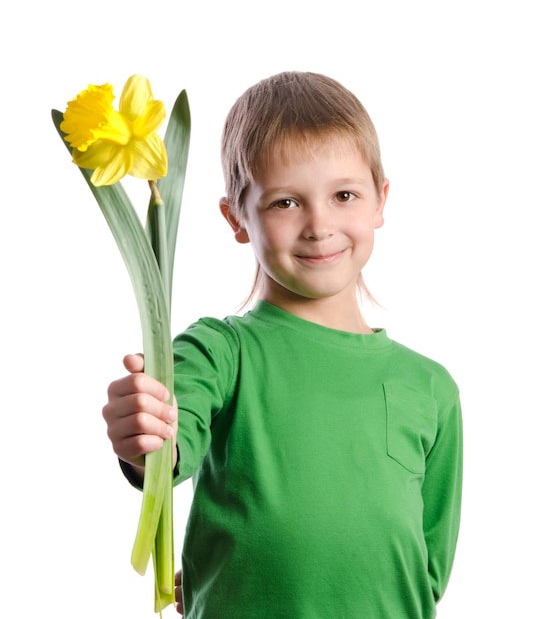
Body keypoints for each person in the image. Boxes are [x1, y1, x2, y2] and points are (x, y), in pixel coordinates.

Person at [103, 71, 463, 618]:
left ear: (379, 201)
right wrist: (146, 432)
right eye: (285, 203)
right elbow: (169, 444)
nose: (319, 225)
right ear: (236, 218)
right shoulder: (218, 352)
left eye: (344, 195)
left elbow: (426, 569)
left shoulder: (431, 387)